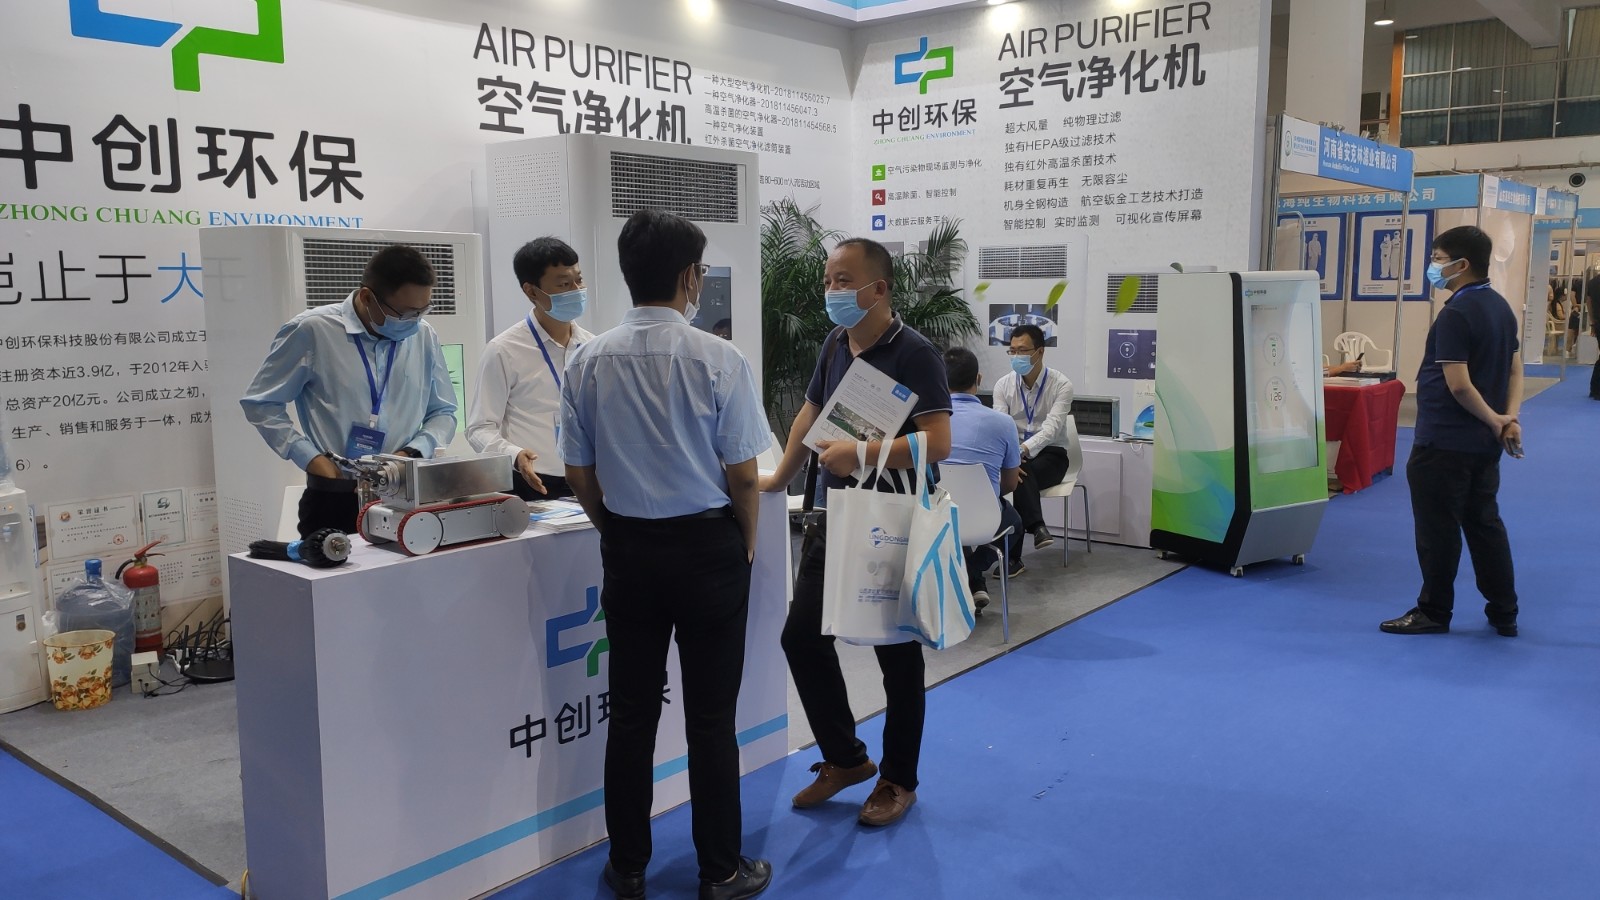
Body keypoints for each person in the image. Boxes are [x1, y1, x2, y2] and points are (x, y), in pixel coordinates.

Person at [560, 209, 771, 900]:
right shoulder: (719, 358)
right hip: (708, 548)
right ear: (689, 278)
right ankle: (721, 871)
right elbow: (744, 475)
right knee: (711, 719)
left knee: (630, 713)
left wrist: (611, 528)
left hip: (629, 548)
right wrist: (744, 538)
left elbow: (579, 471)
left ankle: (627, 868)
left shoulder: (586, 360)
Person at [759, 237, 952, 829]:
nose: (831, 291)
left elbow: (939, 442)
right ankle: (845, 759)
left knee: (897, 655)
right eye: (828, 281)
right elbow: (811, 414)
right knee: (801, 638)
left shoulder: (914, 352)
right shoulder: (835, 343)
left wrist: (863, 453)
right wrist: (780, 479)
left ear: (879, 288)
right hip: (833, 515)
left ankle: (898, 779)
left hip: (890, 522)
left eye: (843, 281)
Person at [241, 245, 456, 537]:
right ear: (367, 297)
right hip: (335, 495)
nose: (415, 321)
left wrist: (409, 453)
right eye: (405, 313)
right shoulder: (312, 330)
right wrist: (309, 457)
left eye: (423, 310)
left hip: (403, 494)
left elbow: (444, 411)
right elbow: (261, 403)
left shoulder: (424, 335)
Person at [1381, 225, 1523, 638]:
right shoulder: (1500, 307)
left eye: (1438, 259)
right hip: (1482, 445)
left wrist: (1495, 419)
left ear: (1461, 265)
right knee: (1485, 525)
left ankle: (1434, 611)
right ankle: (1504, 611)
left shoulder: (1456, 314)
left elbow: (1458, 385)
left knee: (1437, 531)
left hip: (1443, 442)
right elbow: (1515, 369)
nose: (1433, 266)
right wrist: (1507, 418)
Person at [467, 237, 596, 500]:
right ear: (532, 291)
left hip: (590, 480)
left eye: (579, 280)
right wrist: (514, 455)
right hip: (532, 483)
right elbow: (479, 428)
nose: (576, 290)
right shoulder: (504, 350)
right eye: (564, 284)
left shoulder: (593, 347)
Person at [942, 346, 1022, 611]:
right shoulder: (1004, 423)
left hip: (935, 515)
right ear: (978, 379)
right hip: (984, 516)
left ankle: (968, 578)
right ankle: (973, 573)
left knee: (956, 518)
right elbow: (1010, 484)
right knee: (1014, 522)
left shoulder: (927, 422)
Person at [991, 323, 1074, 568]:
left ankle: (1012, 558)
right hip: (1015, 455)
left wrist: (1020, 451)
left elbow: (1052, 429)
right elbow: (1000, 425)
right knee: (1020, 471)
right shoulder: (1003, 385)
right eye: (1012, 350)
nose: (1016, 356)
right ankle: (1037, 527)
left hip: (1052, 455)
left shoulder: (1061, 385)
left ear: (1040, 352)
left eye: (1022, 350)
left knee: (1019, 473)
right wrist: (1013, 455)